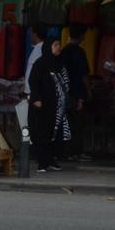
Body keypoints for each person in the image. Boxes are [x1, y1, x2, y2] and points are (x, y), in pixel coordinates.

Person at [26, 35, 70, 172]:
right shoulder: (41, 64)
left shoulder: (59, 64)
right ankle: (42, 163)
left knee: (54, 133)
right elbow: (33, 81)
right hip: (43, 106)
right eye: (55, 45)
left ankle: (51, 160)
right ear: (48, 47)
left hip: (57, 108)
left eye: (59, 45)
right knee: (42, 133)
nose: (58, 47)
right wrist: (36, 99)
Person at [58, 24, 91, 160]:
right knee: (77, 124)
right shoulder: (80, 52)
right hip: (77, 94)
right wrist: (88, 90)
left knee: (66, 122)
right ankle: (76, 150)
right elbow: (84, 75)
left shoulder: (64, 52)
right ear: (82, 36)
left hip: (65, 92)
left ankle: (66, 150)